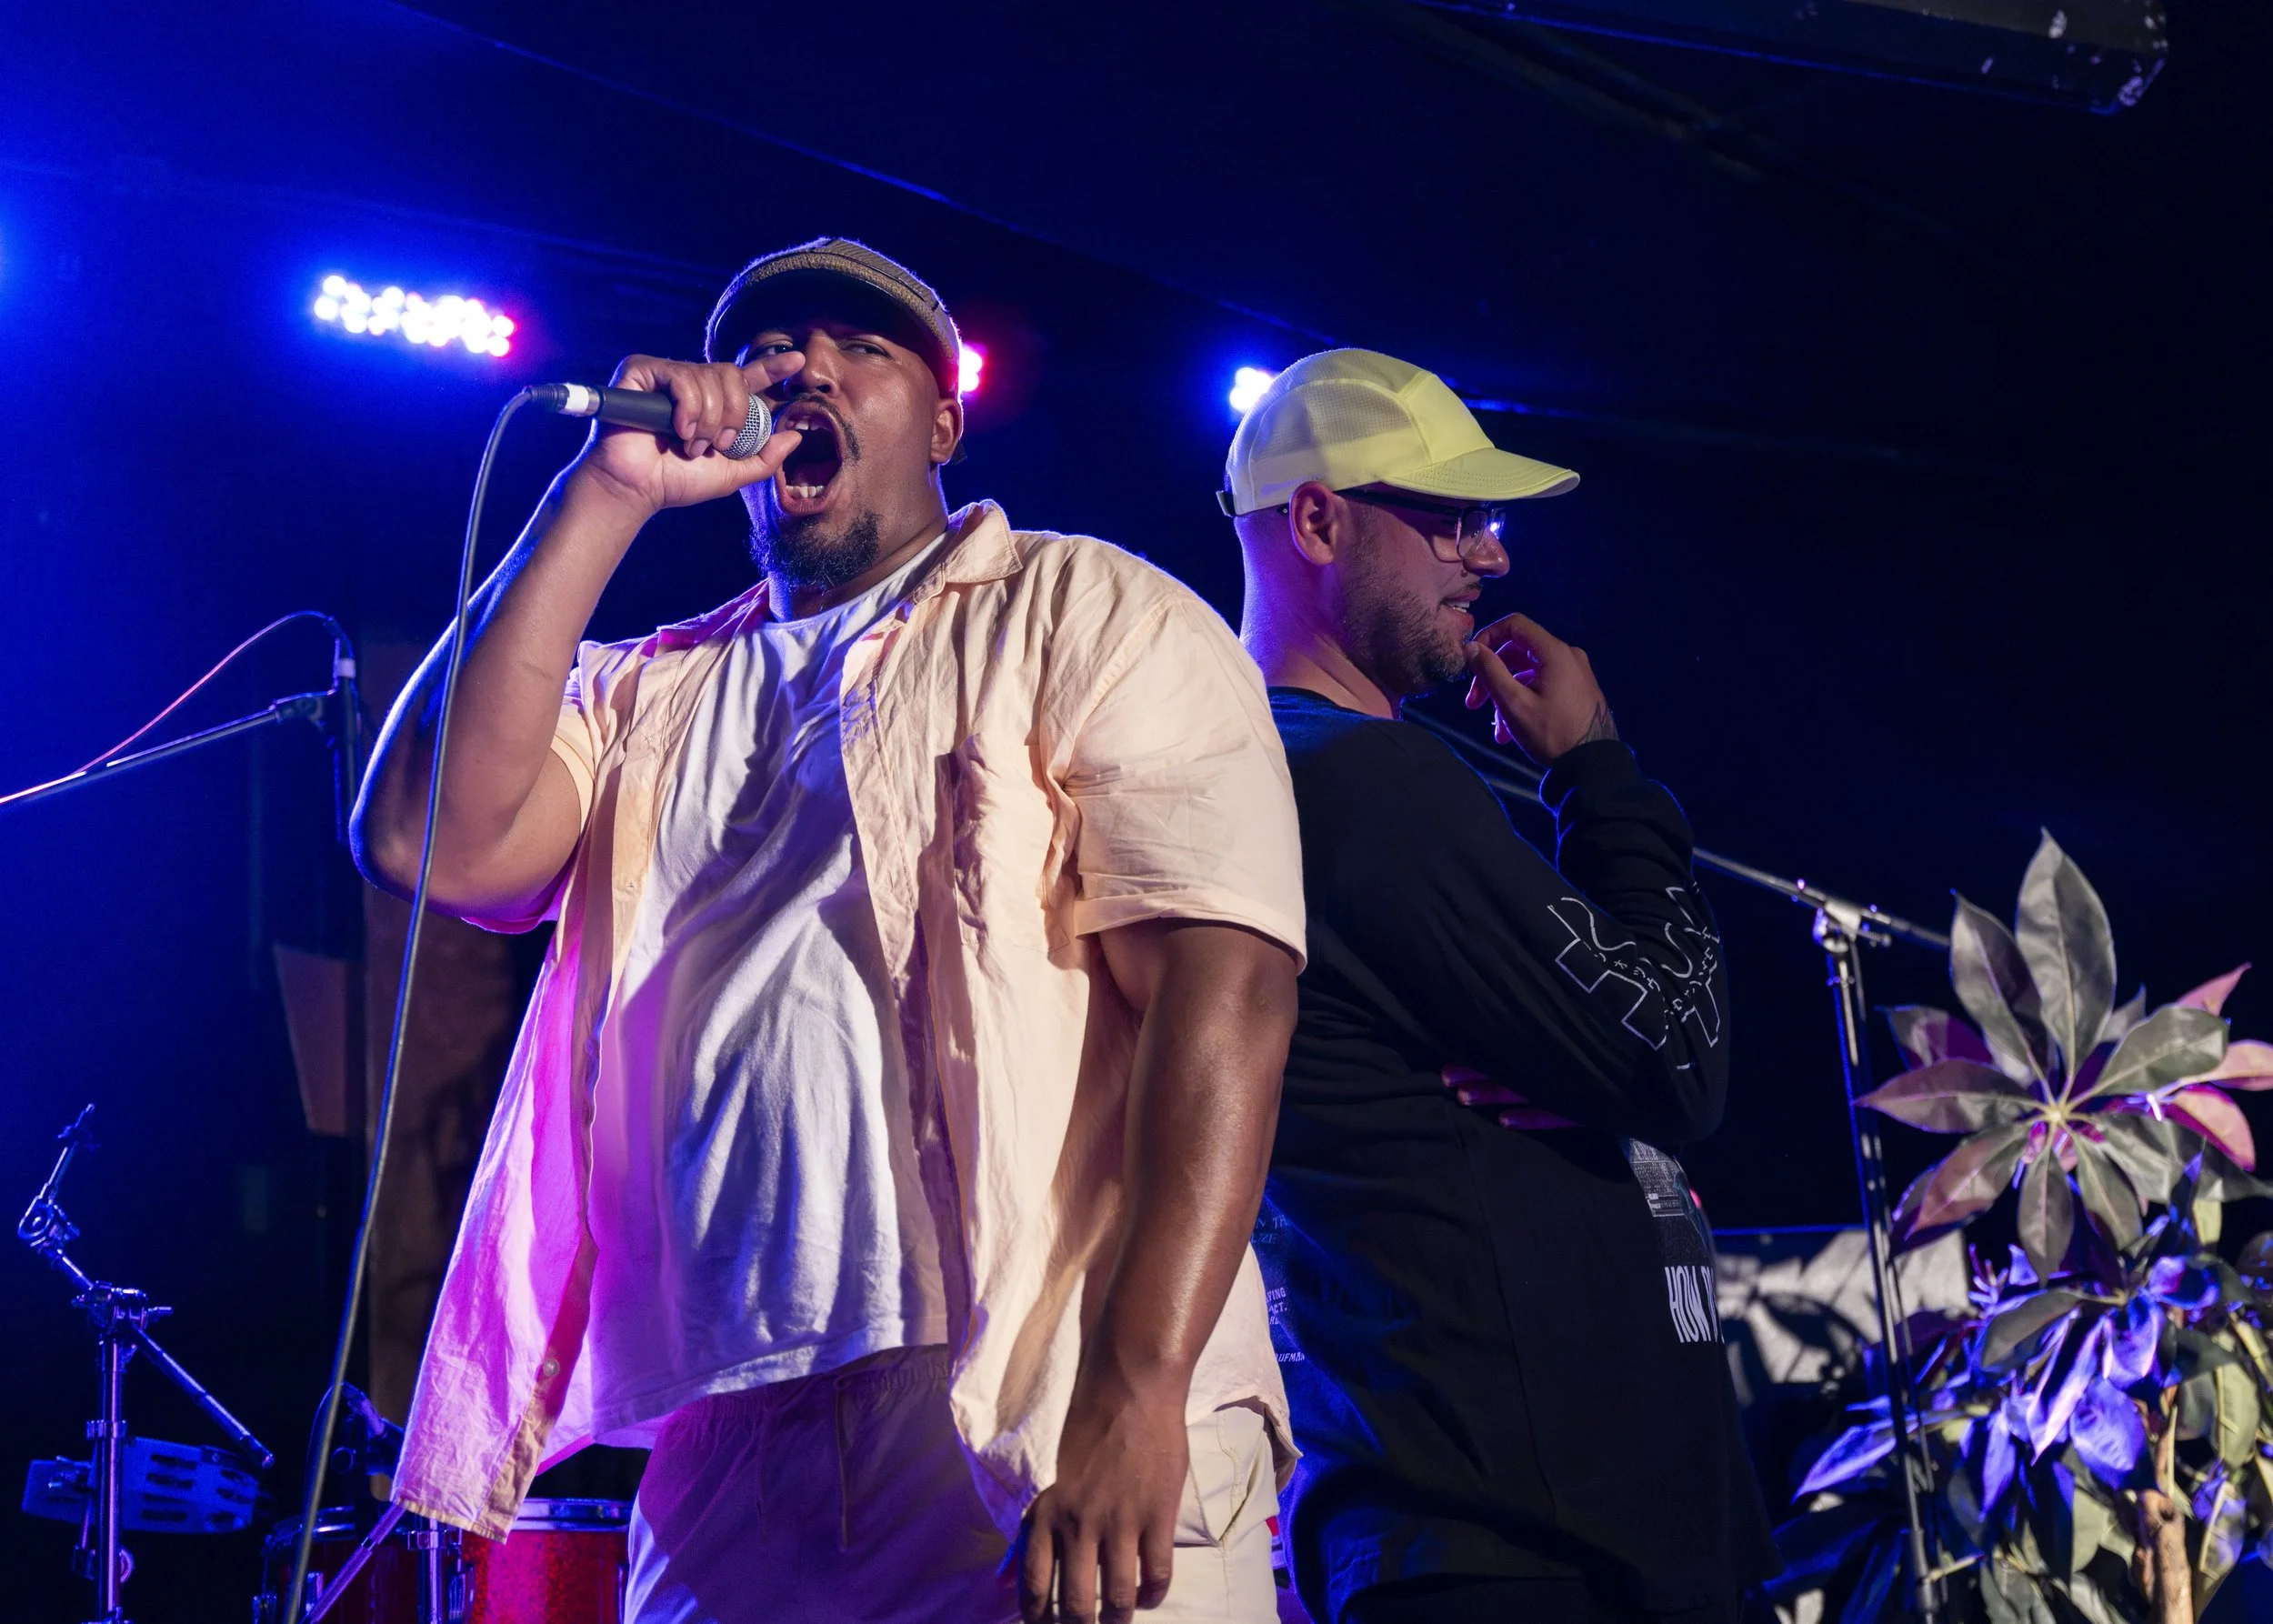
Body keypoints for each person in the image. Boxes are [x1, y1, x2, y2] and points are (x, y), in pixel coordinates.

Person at [355, 238, 1307, 1624]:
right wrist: (602, 494)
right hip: (723, 1422)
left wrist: (1137, 1387)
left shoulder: (1082, 605)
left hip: (1033, 1382)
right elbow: (423, 839)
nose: (806, 366)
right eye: (772, 347)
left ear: (944, 424)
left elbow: (1225, 991)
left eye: (862, 348)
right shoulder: (644, 690)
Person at [1222, 350, 1778, 1624]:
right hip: (1521, 1541)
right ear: (1318, 521)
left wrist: (1588, 1071)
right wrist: (1597, 771)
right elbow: (1674, 1050)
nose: (1490, 554)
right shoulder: (1365, 783)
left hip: (1512, 1528)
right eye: (1452, 517)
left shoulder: (1301, 774)